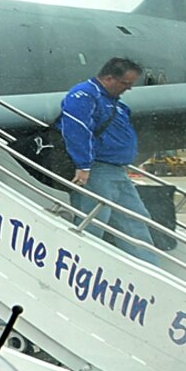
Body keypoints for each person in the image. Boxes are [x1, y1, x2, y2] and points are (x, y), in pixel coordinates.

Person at [60, 56, 160, 264]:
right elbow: (76, 129)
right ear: (108, 78)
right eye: (125, 83)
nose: (128, 89)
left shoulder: (110, 100)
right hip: (98, 170)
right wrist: (83, 165)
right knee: (94, 222)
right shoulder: (84, 96)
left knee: (135, 218)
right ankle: (83, 265)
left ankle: (148, 268)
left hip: (117, 170)